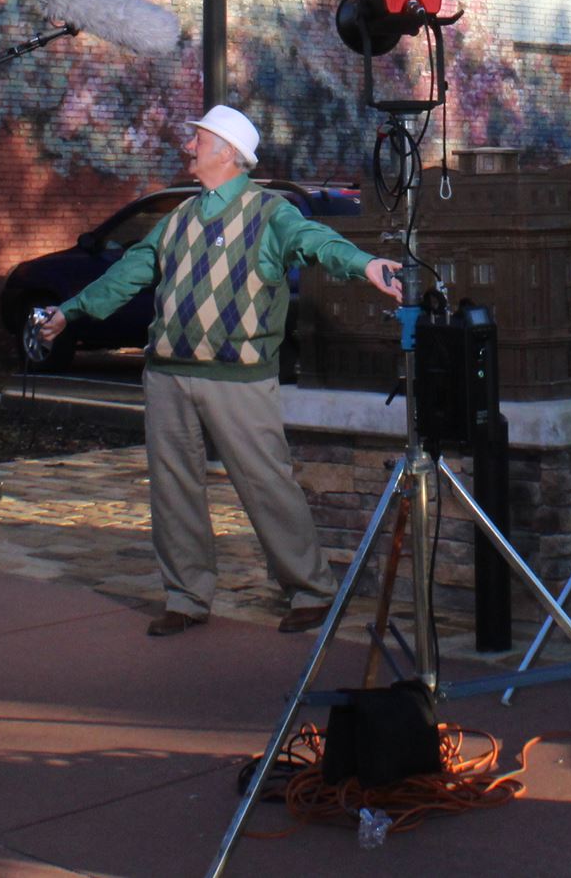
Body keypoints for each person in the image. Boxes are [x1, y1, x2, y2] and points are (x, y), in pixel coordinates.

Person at [39, 104, 404, 636]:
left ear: (229, 153)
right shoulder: (179, 219)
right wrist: (69, 311)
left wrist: (364, 263)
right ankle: (186, 597)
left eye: (200, 141)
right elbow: (129, 273)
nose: (189, 148)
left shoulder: (269, 212)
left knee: (265, 484)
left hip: (239, 377)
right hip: (166, 373)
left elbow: (315, 241)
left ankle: (312, 589)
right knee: (172, 487)